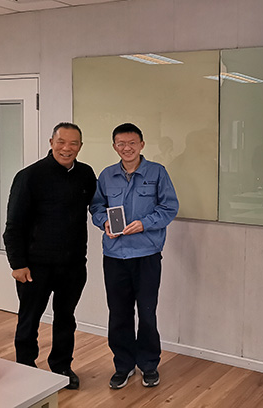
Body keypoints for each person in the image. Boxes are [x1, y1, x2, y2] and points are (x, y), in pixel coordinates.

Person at [3, 122, 97, 390]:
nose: (67, 148)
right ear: (51, 142)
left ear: (80, 146)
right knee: (29, 318)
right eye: (61, 142)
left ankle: (62, 366)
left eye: (73, 143)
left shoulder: (86, 174)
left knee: (66, 318)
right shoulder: (30, 176)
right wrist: (17, 264)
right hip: (35, 266)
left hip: (73, 265)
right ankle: (25, 368)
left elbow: (99, 207)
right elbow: (13, 225)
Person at [90, 123, 178, 389]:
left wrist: (144, 224)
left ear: (142, 144)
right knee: (119, 313)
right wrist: (104, 221)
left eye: (132, 143)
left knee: (147, 313)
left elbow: (169, 207)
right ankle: (123, 365)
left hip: (147, 254)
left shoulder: (157, 172)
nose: (126, 148)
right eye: (121, 143)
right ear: (114, 146)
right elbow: (96, 206)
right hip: (114, 255)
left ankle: (149, 364)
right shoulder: (106, 175)